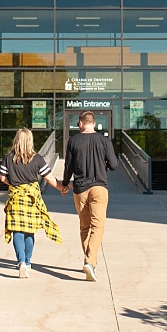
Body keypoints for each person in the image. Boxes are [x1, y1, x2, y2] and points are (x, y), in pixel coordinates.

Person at [0, 127, 66, 279]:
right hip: (32, 198)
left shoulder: (8, 158)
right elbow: (49, 178)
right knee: (29, 230)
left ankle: (21, 261)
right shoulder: (37, 159)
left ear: (16, 140)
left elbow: (2, 178)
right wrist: (62, 188)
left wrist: (14, 185)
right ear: (30, 141)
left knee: (17, 230)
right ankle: (28, 262)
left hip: (16, 197)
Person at [61, 111, 119, 282]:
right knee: (98, 226)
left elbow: (68, 166)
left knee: (85, 226)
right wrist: (104, 164)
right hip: (99, 187)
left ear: (80, 124)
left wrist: (65, 183)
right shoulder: (104, 141)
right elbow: (114, 165)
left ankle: (89, 260)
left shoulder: (73, 141)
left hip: (80, 189)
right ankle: (90, 261)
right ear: (93, 123)